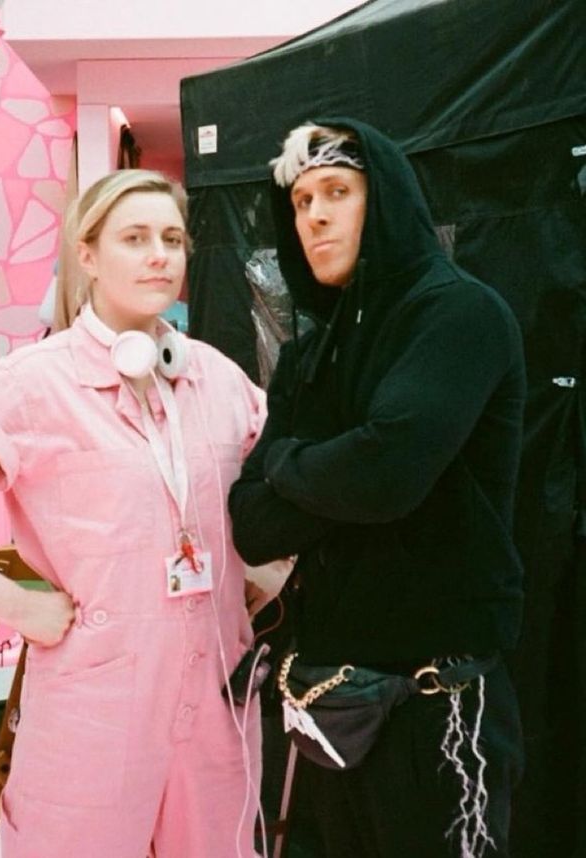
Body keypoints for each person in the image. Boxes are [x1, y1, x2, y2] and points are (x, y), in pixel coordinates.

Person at [0, 169, 267, 857]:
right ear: (88, 254)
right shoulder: (32, 384)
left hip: (218, 696)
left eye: (172, 238)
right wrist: (16, 607)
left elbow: (286, 494)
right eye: (134, 238)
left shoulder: (217, 378)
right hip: (94, 707)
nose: (159, 254)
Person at [228, 120, 526, 858]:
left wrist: (290, 458)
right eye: (300, 201)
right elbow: (253, 526)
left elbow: (386, 477)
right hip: (326, 707)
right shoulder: (309, 355)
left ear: (387, 201)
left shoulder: (458, 313)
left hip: (438, 712)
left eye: (338, 192)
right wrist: (342, 467)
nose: (315, 216)